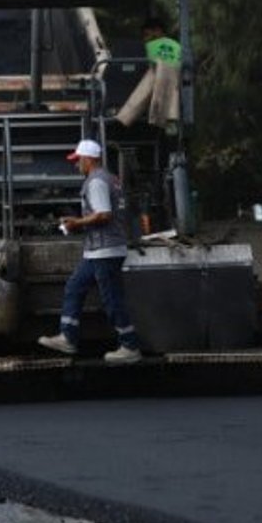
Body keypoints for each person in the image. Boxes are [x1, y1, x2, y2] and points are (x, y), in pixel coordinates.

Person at [38, 139, 142, 364]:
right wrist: (78, 221)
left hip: (106, 250)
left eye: (78, 160)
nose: (77, 165)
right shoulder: (109, 178)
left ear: (88, 159)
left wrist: (76, 223)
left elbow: (103, 214)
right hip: (98, 250)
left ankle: (130, 346)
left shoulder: (96, 181)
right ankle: (67, 337)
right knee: (75, 286)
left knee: (112, 300)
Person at [115, 18, 182, 129]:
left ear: (157, 31)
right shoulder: (178, 46)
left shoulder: (149, 46)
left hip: (157, 81)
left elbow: (144, 67)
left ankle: (125, 116)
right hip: (175, 83)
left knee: (151, 77)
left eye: (146, 35)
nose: (145, 39)